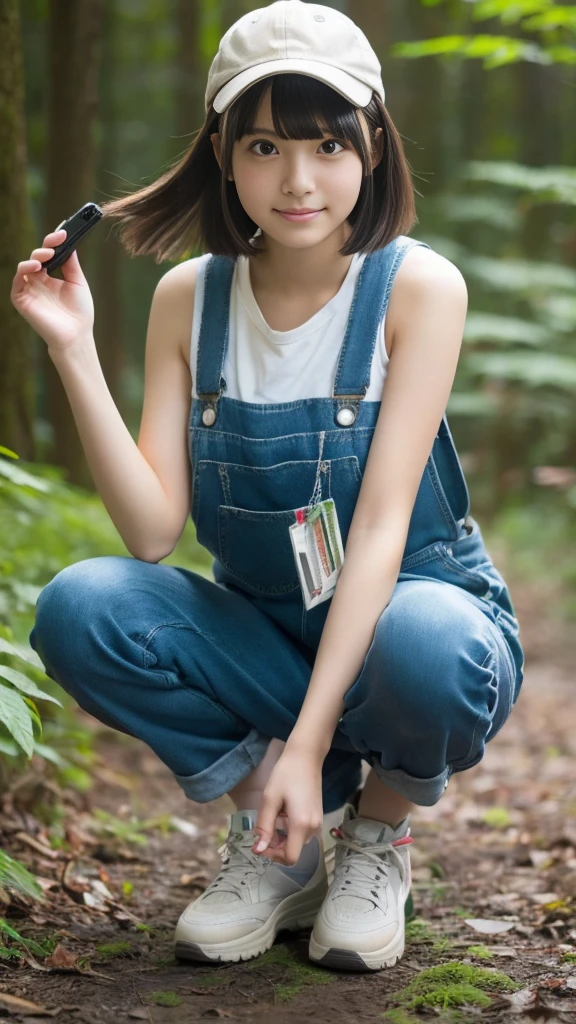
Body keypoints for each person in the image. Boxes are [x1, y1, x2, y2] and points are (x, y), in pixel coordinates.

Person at [11, 0, 524, 974]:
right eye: (264, 145)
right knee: (83, 606)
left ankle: (377, 833)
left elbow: (374, 537)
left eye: (329, 144)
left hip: (405, 634)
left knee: (429, 642)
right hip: (271, 645)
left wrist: (311, 739)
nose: (298, 180)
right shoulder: (187, 299)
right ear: (222, 152)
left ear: (373, 145)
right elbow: (154, 534)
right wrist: (75, 351)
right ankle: (280, 844)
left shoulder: (418, 289)